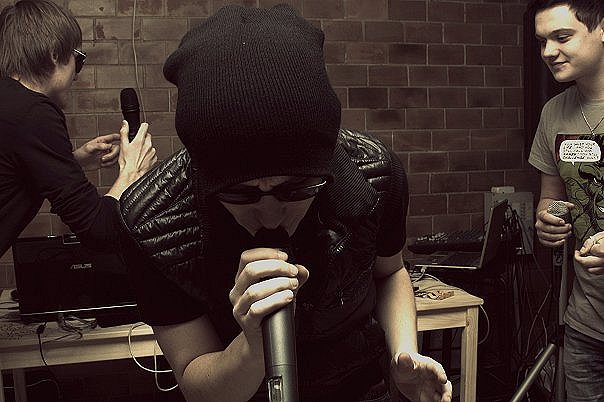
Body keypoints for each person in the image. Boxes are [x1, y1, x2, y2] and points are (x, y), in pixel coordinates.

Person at [118, 4, 452, 402]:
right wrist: (252, 346)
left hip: (359, 386)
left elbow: (390, 272)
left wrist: (404, 355)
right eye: (240, 194)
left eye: (296, 190)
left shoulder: (376, 174)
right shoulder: (152, 223)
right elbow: (196, 382)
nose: (271, 214)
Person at [0, 0, 157, 255]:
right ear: (54, 54)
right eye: (79, 59)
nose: (76, 75)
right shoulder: (34, 112)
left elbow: (12, 170)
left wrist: (72, 161)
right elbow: (99, 232)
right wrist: (132, 170)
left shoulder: (10, 103)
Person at [529, 0, 604, 399]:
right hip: (585, 324)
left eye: (562, 37)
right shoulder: (554, 113)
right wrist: (548, 219)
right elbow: (552, 197)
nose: (548, 52)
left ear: (602, 29)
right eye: (542, 41)